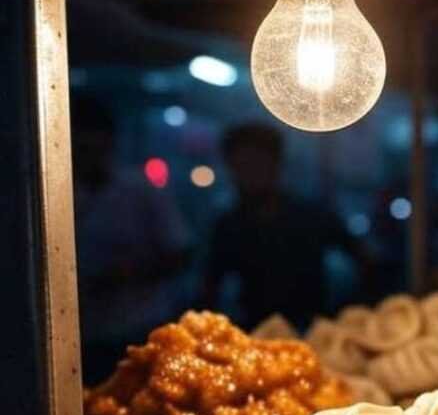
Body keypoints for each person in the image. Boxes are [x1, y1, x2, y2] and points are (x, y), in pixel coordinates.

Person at [72, 94, 192, 383]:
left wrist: (128, 274)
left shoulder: (139, 190)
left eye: (94, 144)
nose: (87, 154)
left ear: (110, 143)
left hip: (140, 327)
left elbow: (180, 252)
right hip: (80, 335)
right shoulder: (51, 196)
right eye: (80, 145)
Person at [205, 123, 371, 330]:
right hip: (256, 334)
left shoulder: (312, 216)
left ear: (276, 164)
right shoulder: (228, 227)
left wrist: (347, 317)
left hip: (313, 332)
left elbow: (364, 261)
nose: (251, 175)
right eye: (243, 166)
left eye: (257, 164)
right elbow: (209, 290)